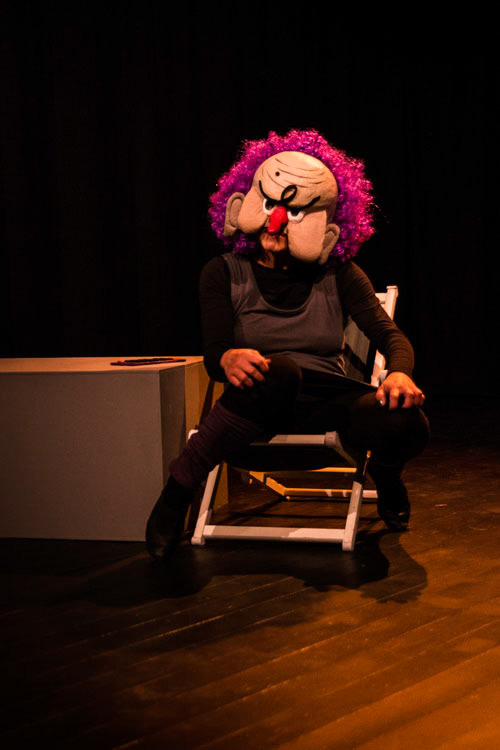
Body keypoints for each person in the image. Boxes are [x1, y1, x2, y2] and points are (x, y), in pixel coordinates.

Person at [146, 129, 429, 560]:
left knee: (407, 420)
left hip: (328, 407)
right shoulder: (223, 273)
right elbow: (215, 352)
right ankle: (179, 488)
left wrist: (400, 374)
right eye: (271, 205)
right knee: (280, 370)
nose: (277, 221)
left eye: (295, 211)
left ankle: (387, 476)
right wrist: (227, 357)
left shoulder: (340, 274)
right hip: (256, 410)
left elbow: (390, 336)